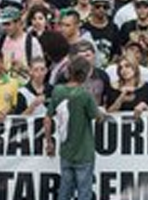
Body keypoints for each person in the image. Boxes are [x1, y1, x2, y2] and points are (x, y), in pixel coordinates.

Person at [46, 56, 102, 200]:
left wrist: (49, 141)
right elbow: (98, 117)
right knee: (84, 191)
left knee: (65, 189)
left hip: (66, 151)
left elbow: (48, 118)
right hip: (84, 152)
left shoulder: (58, 90)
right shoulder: (85, 95)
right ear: (86, 74)